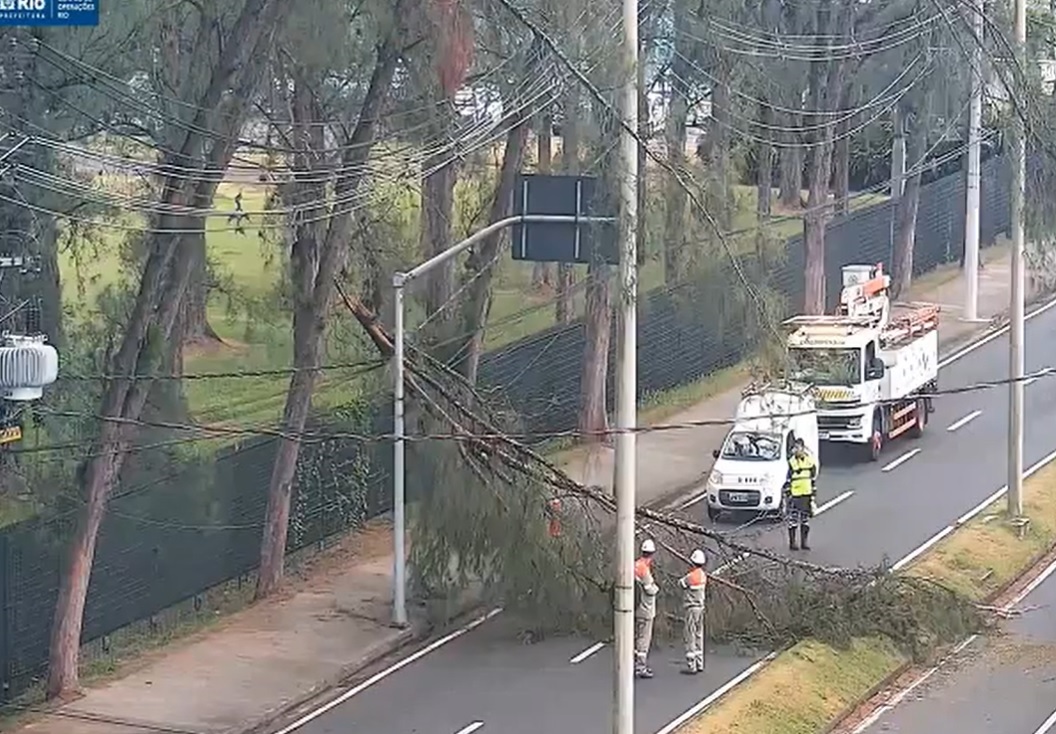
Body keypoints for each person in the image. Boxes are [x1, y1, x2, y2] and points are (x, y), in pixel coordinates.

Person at [783, 437, 818, 550]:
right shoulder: (791, 462)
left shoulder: (810, 462)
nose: (796, 450)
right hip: (795, 495)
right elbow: (788, 480)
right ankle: (792, 543)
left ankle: (804, 542)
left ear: (803, 448)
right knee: (793, 520)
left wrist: (813, 495)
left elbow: (812, 479)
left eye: (798, 447)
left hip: (806, 495)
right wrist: (788, 495)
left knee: (805, 520)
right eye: (795, 448)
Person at [679, 549, 708, 674]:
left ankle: (692, 666)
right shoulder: (703, 575)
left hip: (691, 608)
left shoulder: (691, 577)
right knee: (699, 635)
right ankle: (700, 663)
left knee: (690, 635)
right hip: (701, 608)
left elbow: (681, 583)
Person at [634, 538, 659, 678]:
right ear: (652, 554)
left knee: (637, 636)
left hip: (635, 607)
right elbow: (650, 589)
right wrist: (657, 588)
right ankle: (641, 667)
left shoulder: (635, 565)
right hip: (645, 609)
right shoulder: (644, 569)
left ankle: (634, 663)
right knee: (644, 638)